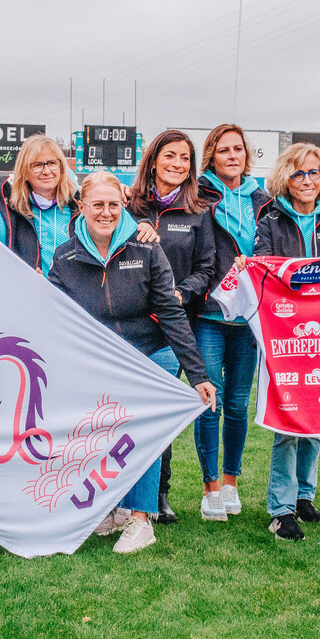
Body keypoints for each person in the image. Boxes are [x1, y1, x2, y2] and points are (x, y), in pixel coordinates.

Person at [50, 172, 217, 554]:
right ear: (82, 208)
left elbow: (171, 314)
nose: (106, 212)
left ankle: (141, 520)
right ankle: (113, 510)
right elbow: (55, 318)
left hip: (149, 353)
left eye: (113, 204)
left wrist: (198, 375)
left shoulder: (146, 248)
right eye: (97, 205)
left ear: (122, 205)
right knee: (103, 434)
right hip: (100, 361)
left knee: (143, 433)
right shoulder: (65, 256)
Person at [250, 143, 320, 541]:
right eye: (298, 174)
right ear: (285, 179)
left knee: (317, 417)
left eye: (313, 173)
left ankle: (304, 495)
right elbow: (266, 267)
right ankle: (281, 508)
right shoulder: (270, 219)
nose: (307, 180)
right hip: (285, 334)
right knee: (288, 420)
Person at [127, 130, 216, 523]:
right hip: (128, 329)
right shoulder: (128, 205)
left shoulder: (198, 211)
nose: (178, 164)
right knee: (122, 414)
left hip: (171, 332)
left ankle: (158, 495)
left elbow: (207, 268)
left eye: (185, 158)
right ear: (154, 159)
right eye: (170, 156)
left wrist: (182, 293)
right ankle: (118, 495)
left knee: (159, 416)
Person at [193, 124, 272, 522]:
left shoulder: (263, 198)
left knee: (238, 404)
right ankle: (209, 489)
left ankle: (230, 481)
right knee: (210, 402)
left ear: (247, 154)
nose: (232, 155)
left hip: (250, 318)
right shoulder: (197, 194)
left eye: (238, 149)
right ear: (211, 156)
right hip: (208, 314)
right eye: (223, 150)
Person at [7, 134, 79, 275]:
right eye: (38, 165)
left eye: (52, 163)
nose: (46, 171)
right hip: (31, 294)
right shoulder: (12, 209)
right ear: (24, 172)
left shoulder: (80, 206)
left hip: (71, 295)